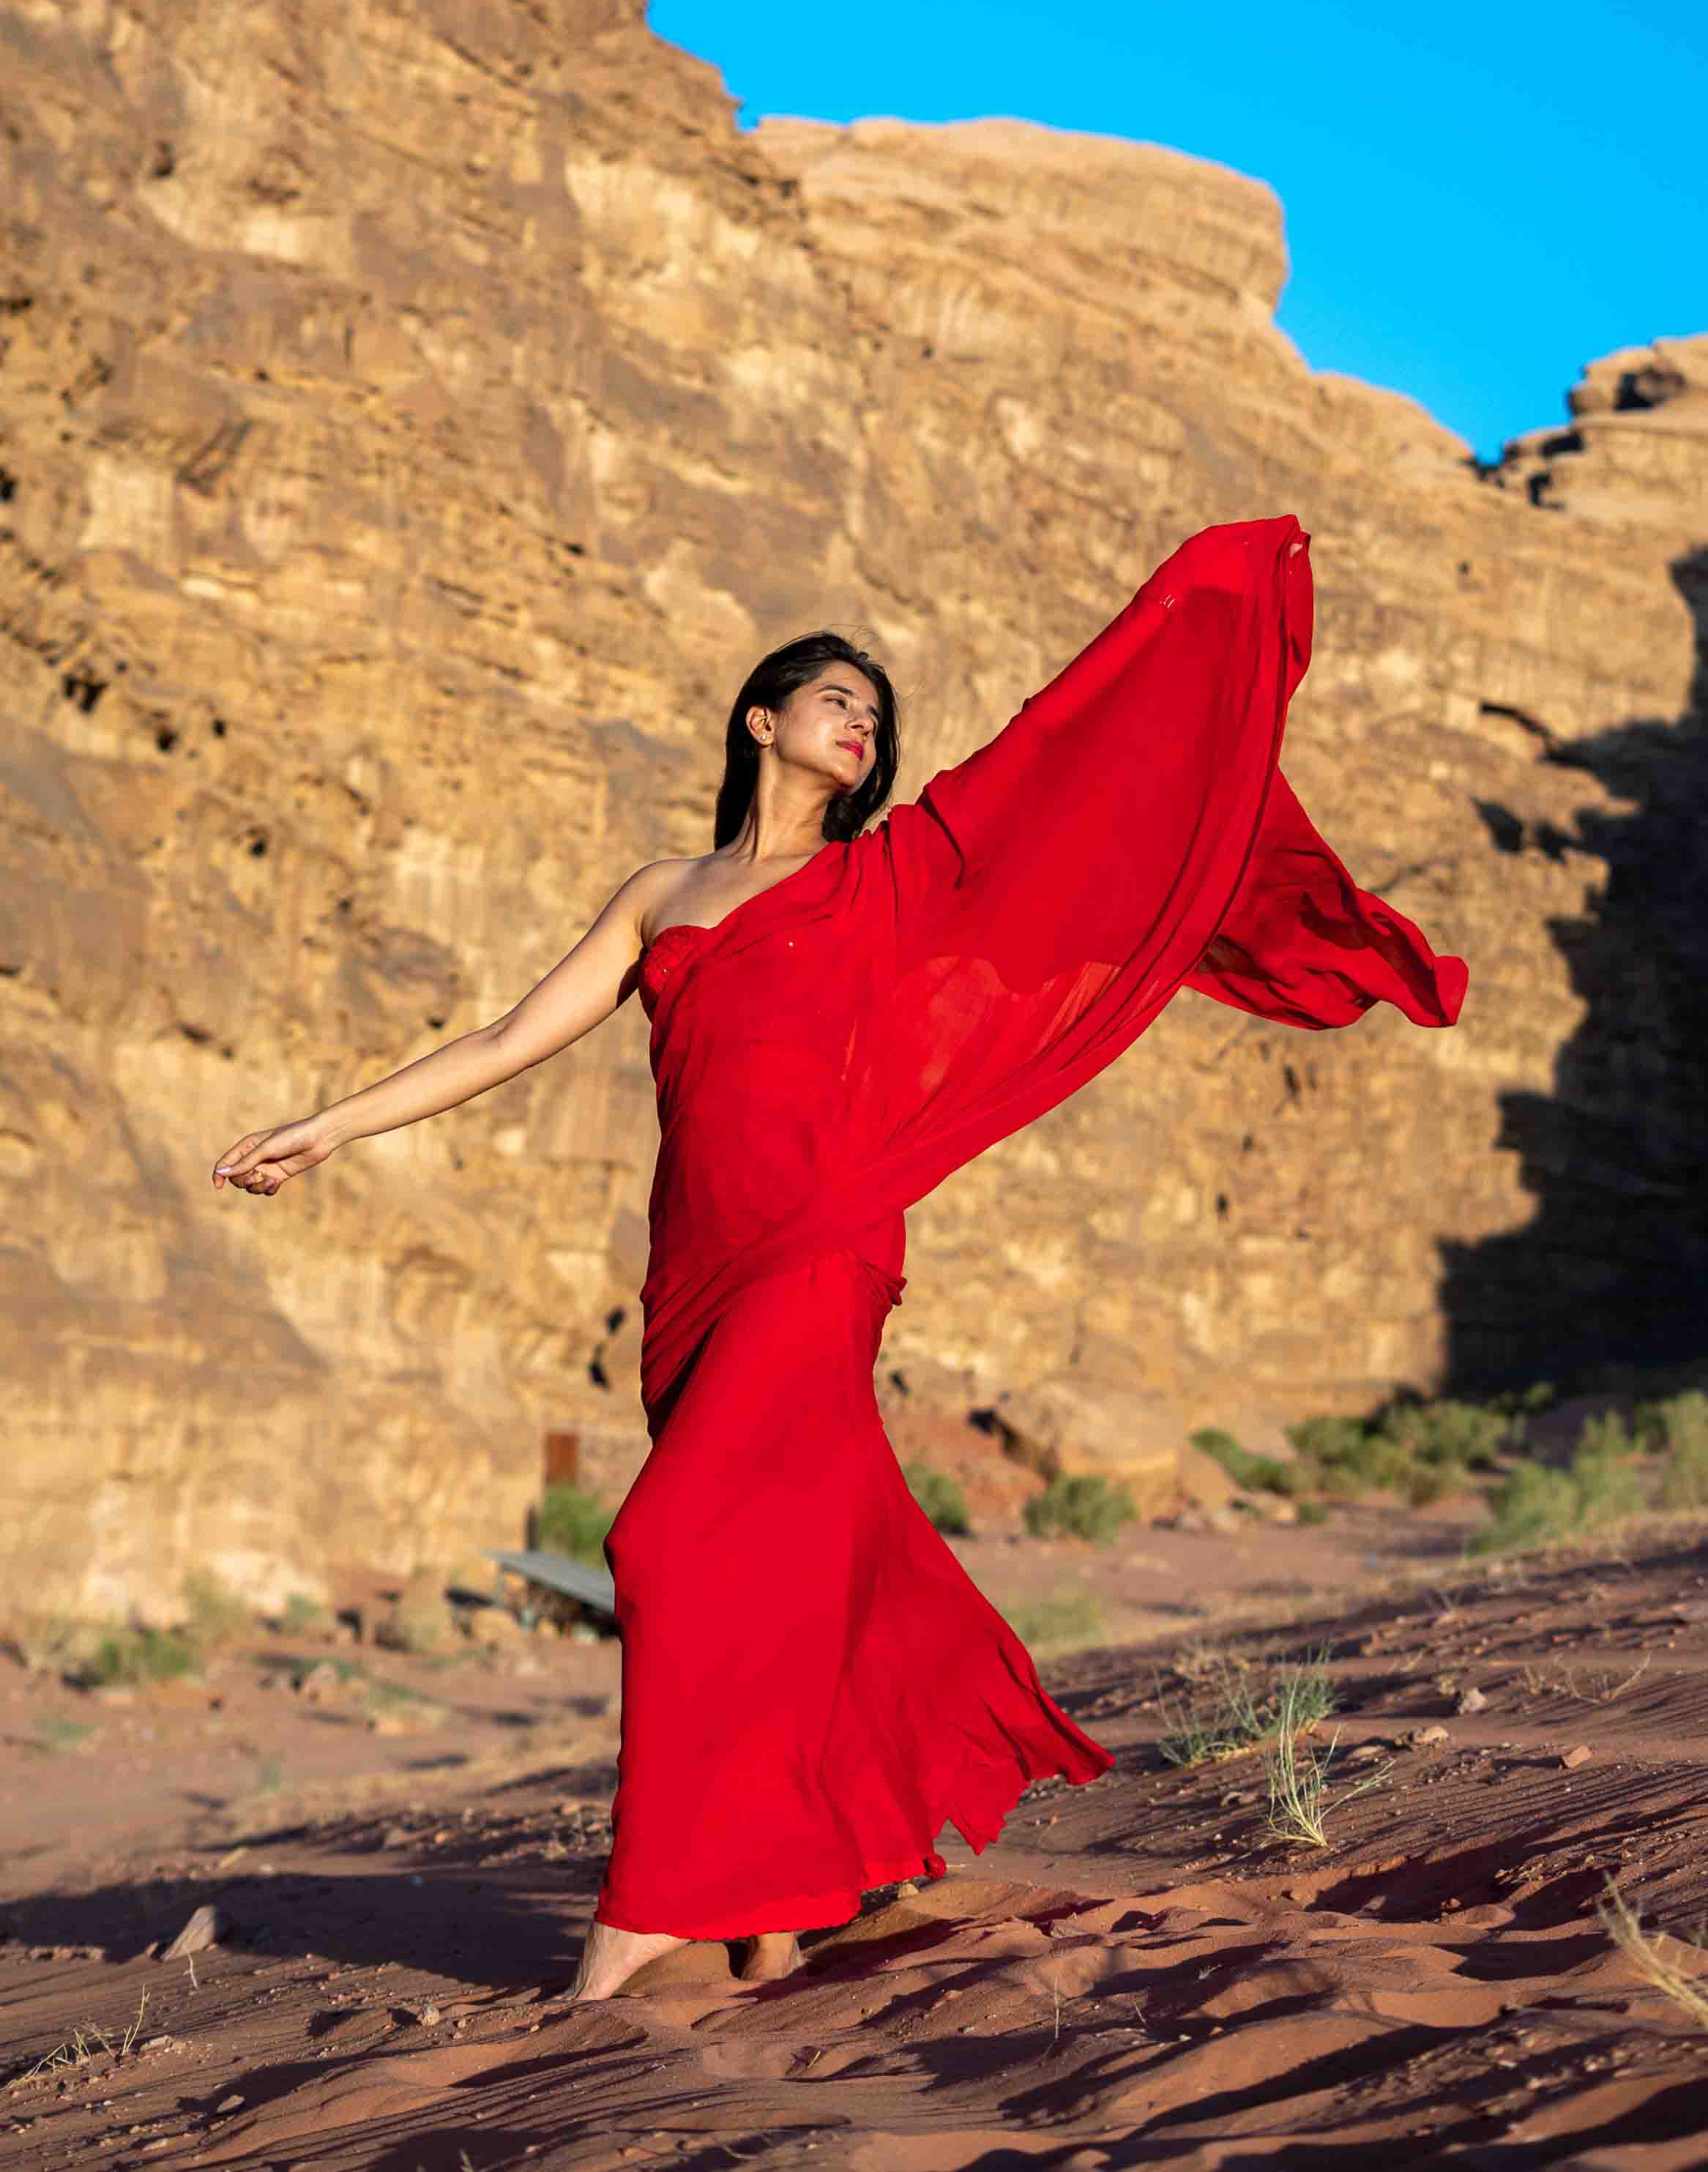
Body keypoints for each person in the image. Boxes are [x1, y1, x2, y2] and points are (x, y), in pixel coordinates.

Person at [213, 515, 1466, 2001]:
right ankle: (777, 1913)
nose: (859, 724)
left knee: (665, 1544)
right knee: (781, 1571)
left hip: (824, 1244)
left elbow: (1059, 770)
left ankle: (647, 1914)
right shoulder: (659, 892)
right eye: (834, 698)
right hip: (697, 1267)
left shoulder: (889, 882)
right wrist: (331, 1125)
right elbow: (502, 1039)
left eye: (874, 715)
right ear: (760, 717)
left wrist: (1199, 610)